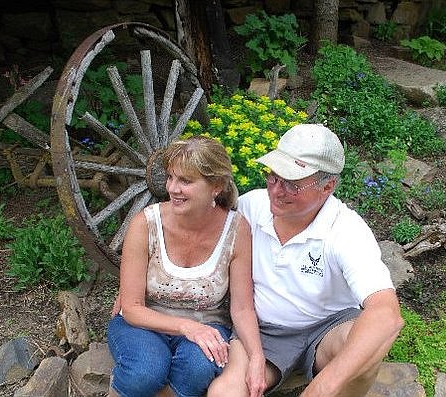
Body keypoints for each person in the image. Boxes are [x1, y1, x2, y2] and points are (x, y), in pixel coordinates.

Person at [207, 124, 404, 397]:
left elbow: (387, 315)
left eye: (292, 183)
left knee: (369, 347)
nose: (277, 191)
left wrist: (321, 387)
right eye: (273, 177)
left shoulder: (346, 230)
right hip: (263, 330)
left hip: (328, 328)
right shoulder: (251, 207)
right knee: (224, 393)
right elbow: (194, 227)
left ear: (328, 186)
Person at [107, 136, 266, 397]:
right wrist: (187, 327)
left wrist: (257, 356)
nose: (173, 188)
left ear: (216, 186)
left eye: (186, 181)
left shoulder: (236, 230)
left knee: (199, 368)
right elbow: (131, 308)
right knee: (145, 372)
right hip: (145, 323)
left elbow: (242, 307)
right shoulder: (145, 224)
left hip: (208, 322)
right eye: (171, 177)